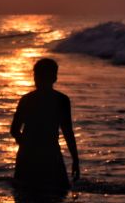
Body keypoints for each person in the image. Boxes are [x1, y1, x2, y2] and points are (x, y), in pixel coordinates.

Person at [10, 58, 79, 194]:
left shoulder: (27, 99)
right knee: (57, 195)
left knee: (24, 198)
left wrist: (26, 144)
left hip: (28, 155)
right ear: (54, 78)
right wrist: (75, 160)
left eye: (38, 75)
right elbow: (68, 132)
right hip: (50, 154)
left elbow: (14, 130)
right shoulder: (61, 100)